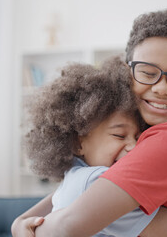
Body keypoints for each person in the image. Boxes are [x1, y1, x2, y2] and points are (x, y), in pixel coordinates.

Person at [13, 8, 167, 237]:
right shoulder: (144, 123)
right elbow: (85, 184)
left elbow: (68, 225)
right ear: (129, 72)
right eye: (147, 73)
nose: (161, 89)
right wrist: (22, 220)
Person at [18, 56, 159, 237]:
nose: (133, 146)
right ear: (78, 143)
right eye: (119, 135)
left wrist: (19, 223)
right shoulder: (96, 181)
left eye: (138, 138)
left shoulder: (75, 176)